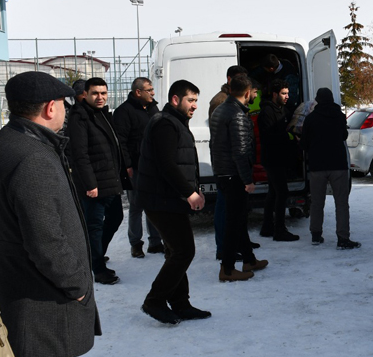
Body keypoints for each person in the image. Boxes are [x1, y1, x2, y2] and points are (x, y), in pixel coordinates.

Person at [0, 71, 101, 357]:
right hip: (44, 306)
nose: (66, 111)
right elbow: (46, 242)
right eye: (64, 105)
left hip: (20, 290)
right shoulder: (33, 157)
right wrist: (78, 286)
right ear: (50, 108)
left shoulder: (5, 142)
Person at [137, 80, 212, 324]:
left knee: (176, 251)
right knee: (183, 250)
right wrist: (189, 193)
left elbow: (182, 163)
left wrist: (193, 189)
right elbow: (166, 164)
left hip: (168, 198)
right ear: (175, 100)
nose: (195, 106)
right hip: (161, 199)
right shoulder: (165, 124)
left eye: (196, 101)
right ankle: (154, 300)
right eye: (190, 100)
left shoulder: (175, 123)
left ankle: (180, 303)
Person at [66, 77, 125, 285]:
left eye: (103, 93)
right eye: (95, 93)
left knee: (116, 217)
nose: (100, 97)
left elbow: (114, 146)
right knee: (94, 225)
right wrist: (90, 184)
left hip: (111, 180)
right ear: (86, 95)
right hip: (95, 185)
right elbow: (80, 155)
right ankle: (97, 268)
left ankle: (95, 254)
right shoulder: (79, 118)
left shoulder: (103, 114)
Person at [210, 74, 268, 281]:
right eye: (253, 92)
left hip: (223, 173)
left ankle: (249, 259)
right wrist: (247, 180)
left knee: (238, 218)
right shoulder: (237, 115)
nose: (254, 96)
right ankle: (227, 269)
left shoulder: (220, 110)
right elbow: (240, 152)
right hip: (234, 176)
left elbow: (215, 146)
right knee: (233, 222)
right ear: (246, 92)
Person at [300, 88, 360, 249]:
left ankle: (316, 235)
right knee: (341, 203)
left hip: (317, 166)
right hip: (338, 165)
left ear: (318, 100)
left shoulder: (311, 119)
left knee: (317, 202)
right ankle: (343, 238)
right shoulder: (339, 116)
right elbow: (343, 136)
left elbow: (304, 144)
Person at [114, 77, 164, 259]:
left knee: (154, 204)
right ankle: (136, 244)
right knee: (136, 206)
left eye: (152, 89)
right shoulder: (123, 112)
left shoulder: (153, 109)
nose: (153, 92)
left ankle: (156, 242)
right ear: (138, 92)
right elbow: (121, 142)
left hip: (154, 167)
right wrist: (127, 165)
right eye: (149, 89)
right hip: (135, 167)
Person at [258, 78, 299, 242]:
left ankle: (267, 227)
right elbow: (269, 136)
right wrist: (288, 137)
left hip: (278, 157)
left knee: (274, 192)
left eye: (288, 93)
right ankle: (279, 230)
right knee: (282, 192)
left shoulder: (281, 109)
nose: (287, 96)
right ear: (275, 94)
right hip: (272, 158)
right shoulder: (267, 112)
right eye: (283, 93)